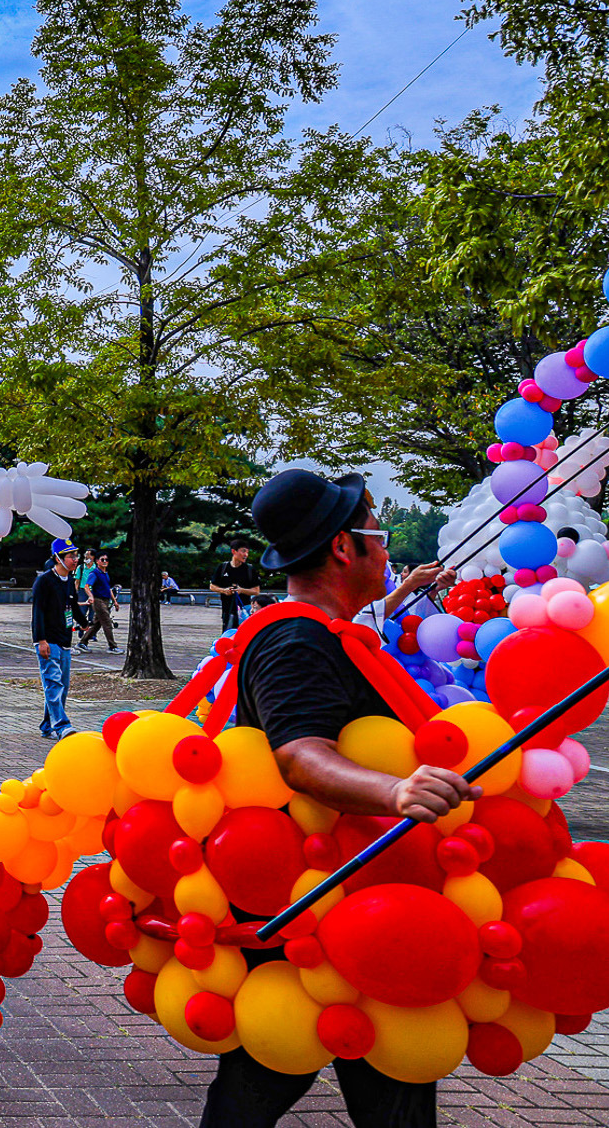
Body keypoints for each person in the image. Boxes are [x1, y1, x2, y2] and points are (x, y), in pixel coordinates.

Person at [194, 470, 480, 1127]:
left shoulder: (331, 632)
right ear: (345, 548)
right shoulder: (297, 640)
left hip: (346, 896)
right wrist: (396, 789)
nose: (387, 550)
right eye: (379, 536)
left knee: (286, 1077)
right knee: (293, 1074)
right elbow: (301, 755)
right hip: (318, 900)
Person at [30, 540, 78, 741]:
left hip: (64, 640)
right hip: (48, 641)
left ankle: (47, 724)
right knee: (53, 683)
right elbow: (38, 612)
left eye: (76, 555)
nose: (75, 559)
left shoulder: (69, 580)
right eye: (71, 556)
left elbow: (72, 606)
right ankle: (61, 726)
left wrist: (85, 623)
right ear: (58, 558)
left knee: (62, 686)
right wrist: (41, 640)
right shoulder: (44, 581)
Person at [211, 540, 261, 630]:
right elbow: (212, 586)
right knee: (228, 634)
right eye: (243, 551)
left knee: (244, 633)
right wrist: (224, 591)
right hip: (227, 610)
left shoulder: (249, 569)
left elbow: (256, 591)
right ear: (234, 551)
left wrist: (241, 590)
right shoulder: (223, 567)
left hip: (244, 611)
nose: (246, 555)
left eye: (247, 552)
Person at [79, 553, 119, 652]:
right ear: (97, 561)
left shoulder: (105, 574)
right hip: (98, 600)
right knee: (107, 622)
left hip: (106, 600)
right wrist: (91, 596)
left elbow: (108, 589)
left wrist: (115, 601)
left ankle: (82, 642)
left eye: (106, 560)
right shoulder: (94, 573)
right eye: (102, 559)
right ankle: (113, 646)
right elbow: (86, 586)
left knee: (97, 624)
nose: (105, 561)